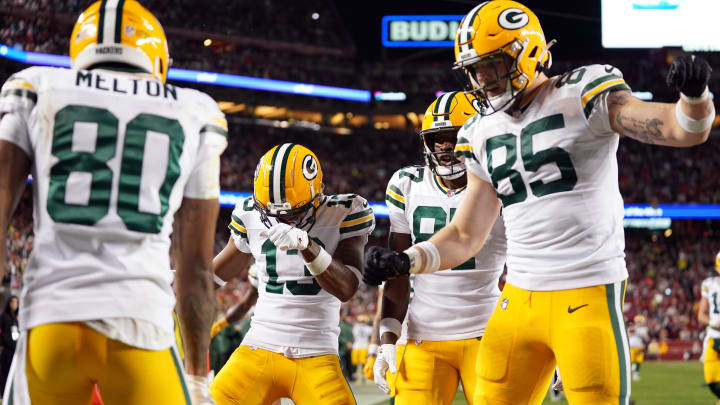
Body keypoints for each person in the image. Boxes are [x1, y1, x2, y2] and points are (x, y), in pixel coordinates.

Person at [363, 1, 713, 404]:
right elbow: (464, 233)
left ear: (525, 52)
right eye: (473, 69)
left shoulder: (583, 91)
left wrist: (694, 98)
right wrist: (406, 261)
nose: (480, 79)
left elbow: (679, 129)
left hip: (586, 291)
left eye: (490, 65)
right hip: (518, 299)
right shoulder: (478, 130)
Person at [0, 1, 228, 403]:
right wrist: (197, 375)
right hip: (141, 325)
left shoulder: (36, 87)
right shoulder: (194, 111)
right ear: (157, 57)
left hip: (52, 324)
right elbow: (194, 271)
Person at [209, 143, 375, 405]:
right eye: (271, 211)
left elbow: (347, 288)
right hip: (258, 347)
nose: (281, 219)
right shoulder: (249, 214)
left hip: (317, 353)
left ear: (317, 196)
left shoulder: (344, 212)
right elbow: (211, 278)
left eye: (293, 212)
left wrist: (308, 247)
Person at [371, 92, 506, 405]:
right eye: (437, 139)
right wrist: (388, 339)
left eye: (453, 137)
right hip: (423, 336)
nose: (444, 147)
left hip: (487, 332)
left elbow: (532, 264)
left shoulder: (500, 184)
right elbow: (397, 273)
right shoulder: (406, 183)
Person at [698, 251, 720, 402]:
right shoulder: (709, 284)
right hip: (714, 335)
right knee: (711, 379)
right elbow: (701, 314)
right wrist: (713, 323)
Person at [0, 296, 18, 393]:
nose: (14, 305)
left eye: (16, 303)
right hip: (6, 348)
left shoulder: (16, 317)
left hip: (14, 348)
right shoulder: (4, 316)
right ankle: (3, 392)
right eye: (13, 302)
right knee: (5, 371)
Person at [627, 315, 649, 381]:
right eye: (638, 321)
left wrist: (644, 337)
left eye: (640, 321)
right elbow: (629, 333)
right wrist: (634, 329)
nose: (639, 323)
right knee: (631, 360)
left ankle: (636, 373)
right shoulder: (632, 327)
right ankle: (633, 369)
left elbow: (646, 338)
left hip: (639, 347)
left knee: (639, 361)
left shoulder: (644, 329)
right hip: (631, 347)